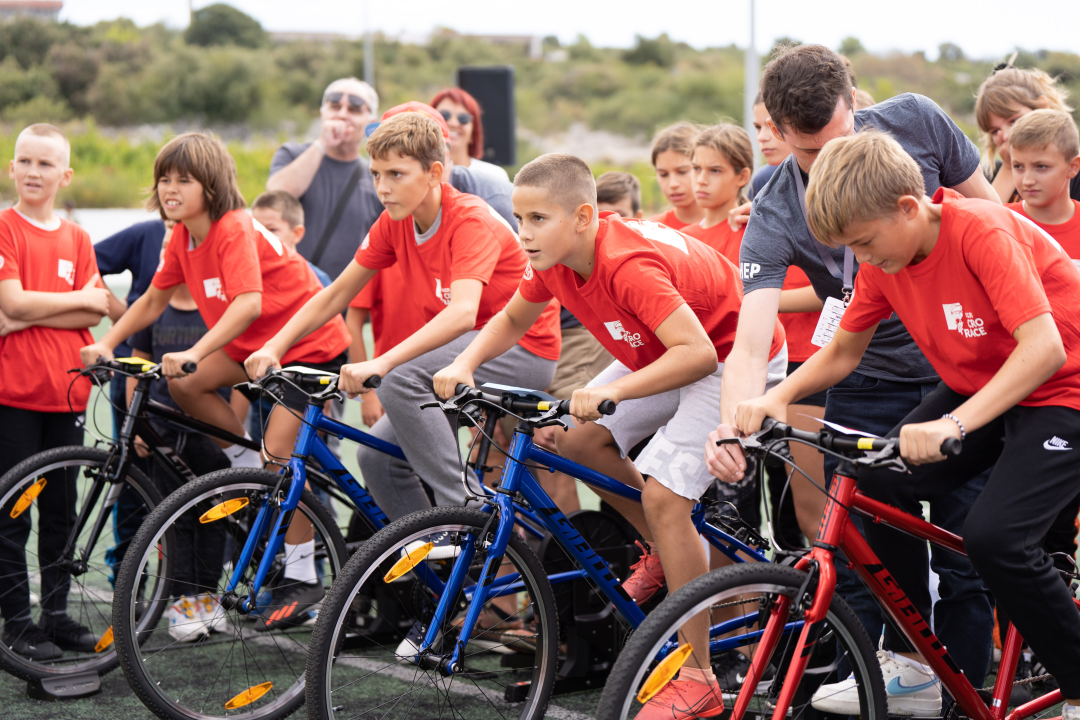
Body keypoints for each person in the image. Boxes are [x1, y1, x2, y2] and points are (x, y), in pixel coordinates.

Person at [738, 129, 1080, 716]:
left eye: (866, 243)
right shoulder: (883, 258)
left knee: (994, 539)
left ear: (908, 206)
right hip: (985, 385)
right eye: (852, 249)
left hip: (1063, 388)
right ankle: (912, 660)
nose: (864, 259)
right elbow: (843, 351)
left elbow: (1044, 349)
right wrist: (779, 394)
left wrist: (956, 424)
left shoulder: (981, 229)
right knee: (877, 477)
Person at [434, 152, 787, 718]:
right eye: (519, 219)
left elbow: (696, 355)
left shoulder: (626, 264)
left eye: (536, 220)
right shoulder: (552, 255)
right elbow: (511, 320)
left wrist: (616, 394)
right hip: (659, 349)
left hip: (724, 358)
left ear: (581, 217)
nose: (523, 234)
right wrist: (466, 364)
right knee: (577, 442)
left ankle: (698, 678)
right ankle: (661, 547)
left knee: (666, 497)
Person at [705, 43, 1002, 709]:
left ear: (857, 102)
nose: (829, 161)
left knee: (963, 553)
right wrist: (732, 423)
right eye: (809, 154)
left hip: (958, 366)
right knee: (871, 544)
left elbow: (997, 223)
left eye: (838, 139)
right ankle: (906, 668)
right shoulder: (774, 203)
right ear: (776, 133)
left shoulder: (919, 123)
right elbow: (751, 341)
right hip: (864, 376)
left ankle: (971, 698)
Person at [80, 132, 352, 629]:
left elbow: (248, 302)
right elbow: (151, 300)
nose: (170, 188)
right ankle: (248, 465)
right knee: (189, 388)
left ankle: (301, 572)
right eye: (164, 178)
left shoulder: (232, 227)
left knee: (282, 457)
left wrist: (195, 350)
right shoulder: (183, 237)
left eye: (184, 179)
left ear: (212, 184)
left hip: (308, 347)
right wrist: (107, 341)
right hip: (256, 349)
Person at [244, 107, 560, 524]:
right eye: (375, 175)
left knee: (401, 376)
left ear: (433, 173)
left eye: (396, 174)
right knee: (377, 458)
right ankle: (437, 563)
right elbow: (337, 292)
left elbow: (464, 312)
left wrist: (382, 361)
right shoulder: (395, 222)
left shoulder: (470, 218)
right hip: (468, 351)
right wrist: (274, 346)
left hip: (524, 348)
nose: (382, 187)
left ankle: (471, 516)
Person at [0, 124, 111, 660]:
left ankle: (57, 616)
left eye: (45, 164)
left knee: (63, 515)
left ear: (65, 175)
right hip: (13, 397)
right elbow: (13, 303)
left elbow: (99, 308)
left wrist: (25, 309)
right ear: (12, 167)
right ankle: (18, 623)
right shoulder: (5, 227)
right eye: (25, 162)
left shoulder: (77, 238)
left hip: (65, 395)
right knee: (13, 514)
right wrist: (69, 301)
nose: (33, 173)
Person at [127, 279, 231, 641]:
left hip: (208, 429)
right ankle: (182, 603)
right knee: (176, 519)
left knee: (217, 515)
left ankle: (207, 596)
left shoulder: (218, 307)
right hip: (162, 428)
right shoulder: (153, 306)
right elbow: (138, 364)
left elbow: (236, 379)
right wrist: (136, 424)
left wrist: (231, 430)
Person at [266, 77, 383, 280]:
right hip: (295, 296)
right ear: (322, 113)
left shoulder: (377, 176)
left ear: (370, 122)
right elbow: (277, 197)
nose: (342, 115)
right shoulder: (292, 154)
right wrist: (322, 144)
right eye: (335, 106)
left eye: (354, 110)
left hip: (349, 305)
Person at [975, 62, 1078, 205]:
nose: (1005, 135)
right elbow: (985, 220)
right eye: (995, 131)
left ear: (1042, 108)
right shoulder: (989, 175)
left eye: (1014, 121)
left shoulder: (1072, 171)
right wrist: (1007, 167)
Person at [682, 124, 753, 265]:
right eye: (696, 168)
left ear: (742, 177)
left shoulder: (756, 231)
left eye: (715, 170)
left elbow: (808, 285)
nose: (701, 180)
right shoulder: (683, 238)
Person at [251, 191, 331, 287]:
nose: (262, 236)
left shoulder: (317, 279)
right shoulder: (250, 274)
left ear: (296, 233)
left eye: (271, 229)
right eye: (257, 230)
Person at [431, 87, 509, 182]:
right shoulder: (419, 173)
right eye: (444, 115)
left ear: (473, 133)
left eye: (463, 118)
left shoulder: (494, 176)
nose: (453, 123)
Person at [648, 122, 704, 230]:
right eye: (663, 174)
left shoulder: (737, 224)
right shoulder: (650, 230)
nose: (673, 184)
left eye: (682, 172)